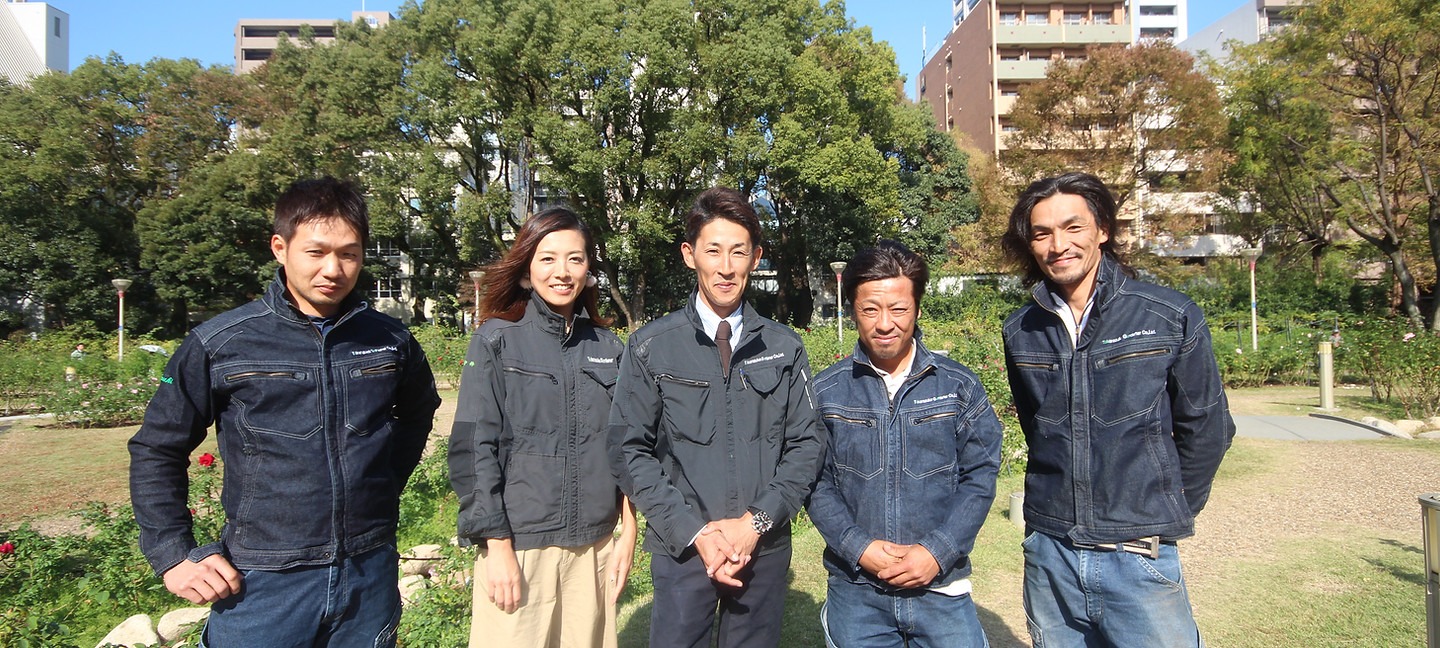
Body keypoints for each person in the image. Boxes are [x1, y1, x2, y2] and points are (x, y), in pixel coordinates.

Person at [128, 177, 442, 647]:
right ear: (281, 248)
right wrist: (173, 554)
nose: (333, 269)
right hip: (264, 580)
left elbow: (418, 412)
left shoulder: (389, 339)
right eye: (316, 252)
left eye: (349, 254)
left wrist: (380, 482)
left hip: (368, 571)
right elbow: (157, 447)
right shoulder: (221, 343)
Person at [1000, 172, 1235, 647]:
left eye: (1073, 227)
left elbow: (1207, 426)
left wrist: (1159, 511)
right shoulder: (1020, 330)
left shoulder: (1167, 315)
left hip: (1138, 555)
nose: (1057, 245)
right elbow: (1037, 428)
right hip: (1051, 552)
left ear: (1102, 229)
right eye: (1042, 233)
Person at [608, 186, 826, 648]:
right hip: (683, 549)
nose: (726, 267)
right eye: (713, 251)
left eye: (738, 252)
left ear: (755, 257)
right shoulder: (651, 347)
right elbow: (628, 450)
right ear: (690, 255)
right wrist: (696, 532)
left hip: (762, 550)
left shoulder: (784, 348)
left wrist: (755, 524)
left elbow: (807, 444)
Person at [448, 207, 637, 648]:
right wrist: (496, 546)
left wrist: (627, 533)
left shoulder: (609, 348)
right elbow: (474, 447)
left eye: (575, 259)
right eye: (548, 258)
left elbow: (628, 449)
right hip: (519, 545)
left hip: (593, 547)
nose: (562, 272)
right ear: (527, 267)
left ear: (589, 269)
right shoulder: (496, 339)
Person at [808, 240, 1002, 648]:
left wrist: (938, 551)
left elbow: (980, 475)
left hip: (940, 588)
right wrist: (857, 547)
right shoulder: (826, 391)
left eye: (898, 309)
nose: (884, 323)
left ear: (916, 307)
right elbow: (814, 481)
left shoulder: (958, 386)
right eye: (870, 309)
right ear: (852, 310)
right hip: (857, 591)